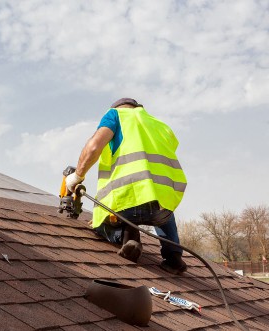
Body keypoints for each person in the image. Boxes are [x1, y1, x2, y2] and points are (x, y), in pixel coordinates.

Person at [65, 98, 188, 274]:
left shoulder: (115, 115)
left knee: (100, 224)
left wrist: (77, 176)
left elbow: (93, 147)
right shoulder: (159, 125)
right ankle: (174, 257)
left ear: (119, 108)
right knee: (162, 208)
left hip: (127, 202)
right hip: (163, 206)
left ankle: (129, 238)